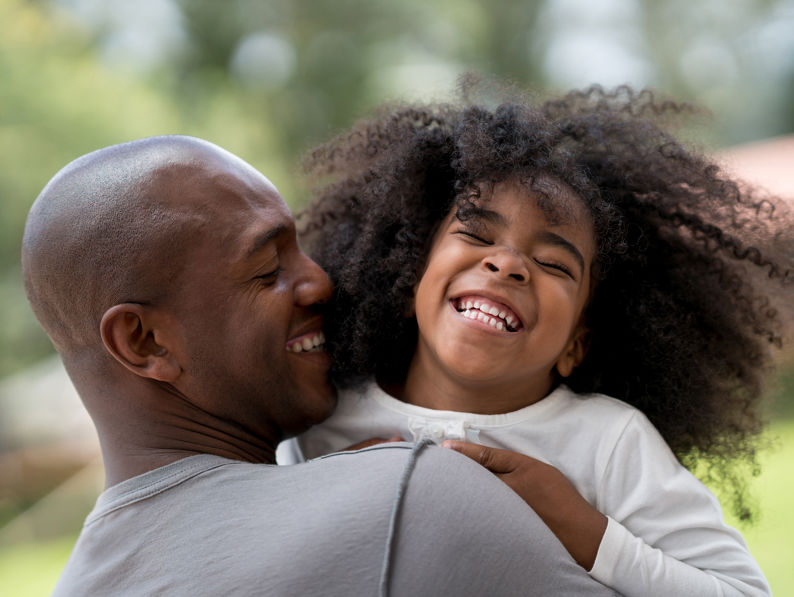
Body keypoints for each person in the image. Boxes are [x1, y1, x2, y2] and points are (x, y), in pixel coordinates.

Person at [23, 135, 619, 596]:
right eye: (267, 270)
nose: (320, 281)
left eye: (300, 249)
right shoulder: (414, 495)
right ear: (145, 341)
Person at [278, 84, 791, 596]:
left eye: (553, 263)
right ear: (412, 276)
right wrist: (325, 486)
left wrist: (584, 531)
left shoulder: (609, 443)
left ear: (576, 344)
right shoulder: (323, 415)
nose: (507, 264)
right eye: (477, 235)